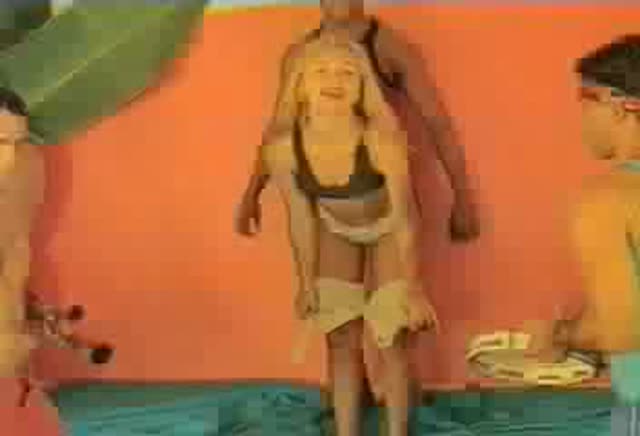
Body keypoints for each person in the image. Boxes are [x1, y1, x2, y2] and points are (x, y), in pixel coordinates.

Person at [256, 36, 436, 436]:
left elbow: (406, 217)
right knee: (340, 336)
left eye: (347, 73)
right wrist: (306, 283)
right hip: (336, 227)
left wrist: (414, 287)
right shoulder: (283, 149)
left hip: (388, 228)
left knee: (392, 334)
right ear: (300, 85)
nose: (334, 80)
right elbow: (301, 218)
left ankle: (397, 431)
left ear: (362, 87)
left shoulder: (381, 140)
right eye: (321, 71)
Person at [235, 0, 479, 242]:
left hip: (386, 203)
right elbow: (280, 128)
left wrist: (462, 199)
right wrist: (251, 195)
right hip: (326, 207)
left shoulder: (388, 47)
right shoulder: (299, 54)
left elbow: (437, 122)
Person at [529, 35, 640, 432]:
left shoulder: (608, 200)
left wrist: (561, 336)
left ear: (617, 105)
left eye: (584, 99)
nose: (580, 118)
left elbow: (624, 330)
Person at [0, 87, 44, 377]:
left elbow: (18, 245)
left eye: (18, 142)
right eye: (1, 141)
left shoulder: (28, 165)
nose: (10, 157)